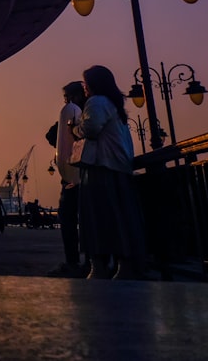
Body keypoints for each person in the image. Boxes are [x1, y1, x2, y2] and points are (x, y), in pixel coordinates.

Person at [72, 65, 146, 279]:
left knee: (98, 217)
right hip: (118, 167)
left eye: (86, 83)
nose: (84, 88)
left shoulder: (96, 102)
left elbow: (91, 129)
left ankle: (99, 266)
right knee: (119, 216)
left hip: (100, 167)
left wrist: (74, 129)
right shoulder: (114, 105)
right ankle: (125, 264)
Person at [48, 81, 87, 278]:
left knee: (69, 216)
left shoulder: (76, 114)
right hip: (86, 172)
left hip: (76, 173)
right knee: (86, 218)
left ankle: (74, 261)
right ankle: (90, 261)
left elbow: (50, 135)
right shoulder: (87, 111)